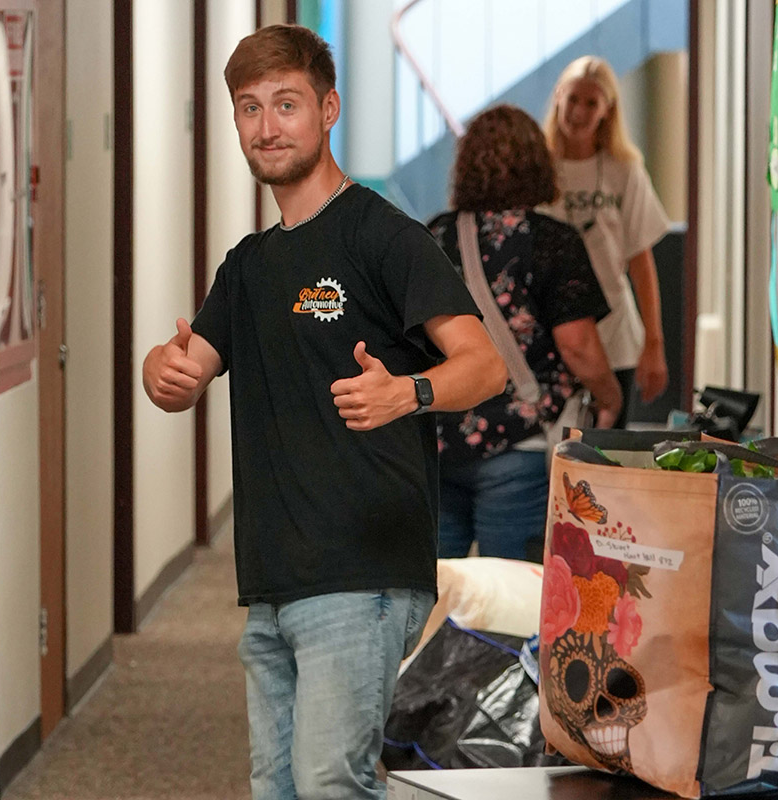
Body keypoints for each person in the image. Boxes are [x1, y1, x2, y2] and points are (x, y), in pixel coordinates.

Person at [141, 24, 506, 800]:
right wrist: (160, 371)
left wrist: (408, 391)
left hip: (362, 570)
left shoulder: (385, 238)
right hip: (272, 578)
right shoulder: (249, 265)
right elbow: (186, 367)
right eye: (249, 108)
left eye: (287, 104)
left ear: (328, 109)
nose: (267, 127)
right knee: (276, 785)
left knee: (330, 782)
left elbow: (485, 365)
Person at [428, 105, 622, 562]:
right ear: (538, 164)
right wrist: (611, 397)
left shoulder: (434, 236)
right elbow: (577, 346)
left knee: (435, 592)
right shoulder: (551, 240)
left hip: (437, 440)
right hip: (519, 445)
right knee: (512, 598)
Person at [541, 55, 672, 428]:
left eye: (591, 103)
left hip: (615, 333)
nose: (579, 112)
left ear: (607, 110)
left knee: (606, 452)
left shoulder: (624, 169)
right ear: (558, 97)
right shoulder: (538, 169)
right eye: (573, 99)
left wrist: (653, 343)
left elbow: (640, 258)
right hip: (553, 334)